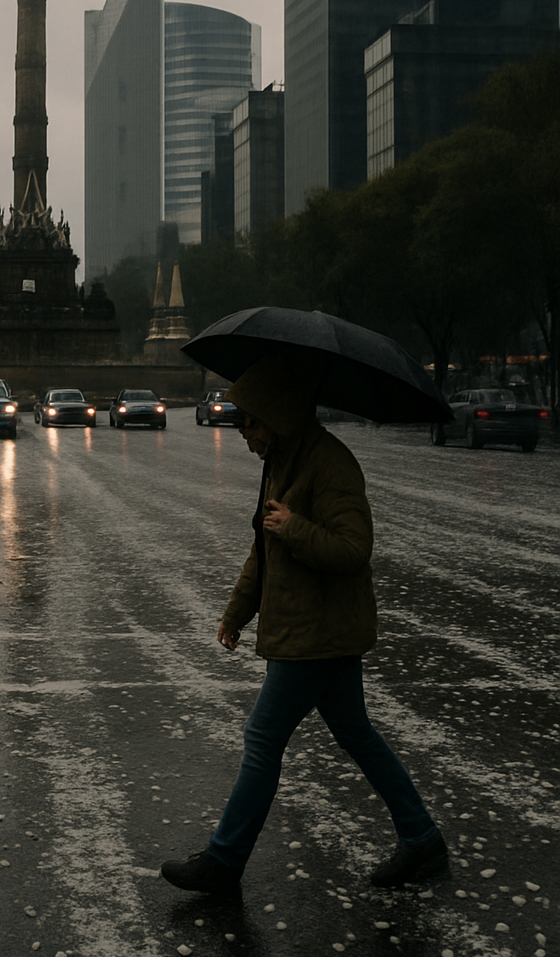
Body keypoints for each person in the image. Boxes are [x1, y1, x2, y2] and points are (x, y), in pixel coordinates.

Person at [161, 352, 447, 898]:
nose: (243, 432)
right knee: (356, 733)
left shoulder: (329, 464)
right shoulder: (283, 460)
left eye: (250, 422)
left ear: (277, 415)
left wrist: (295, 527)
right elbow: (263, 547)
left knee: (262, 737)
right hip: (312, 631)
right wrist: (236, 613)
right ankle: (422, 837)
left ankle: (223, 861)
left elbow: (354, 549)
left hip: (318, 634)